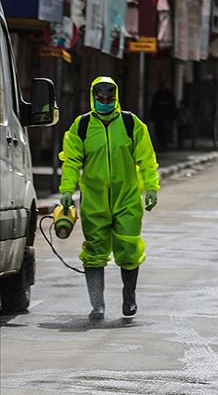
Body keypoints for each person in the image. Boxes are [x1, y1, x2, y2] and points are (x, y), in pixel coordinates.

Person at [59, 77, 160, 321]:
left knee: (128, 248)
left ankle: (129, 298)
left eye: (109, 96)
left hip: (127, 199)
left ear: (116, 96)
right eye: (100, 96)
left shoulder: (130, 123)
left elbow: (146, 158)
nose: (105, 100)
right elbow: (71, 161)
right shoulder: (81, 126)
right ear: (93, 96)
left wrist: (151, 187)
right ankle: (98, 305)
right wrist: (66, 190)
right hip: (94, 201)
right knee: (94, 251)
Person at [149, 83, 177, 151]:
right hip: (159, 118)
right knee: (159, 132)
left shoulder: (170, 96)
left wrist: (173, 118)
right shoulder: (158, 95)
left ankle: (164, 145)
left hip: (166, 118)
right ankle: (161, 145)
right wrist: (152, 117)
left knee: (165, 132)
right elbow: (154, 107)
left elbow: (173, 108)